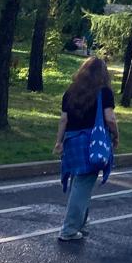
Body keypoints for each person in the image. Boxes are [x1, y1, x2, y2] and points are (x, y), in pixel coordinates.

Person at [54, 57, 118, 242]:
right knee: (82, 186)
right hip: (91, 143)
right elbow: (110, 118)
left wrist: (58, 141)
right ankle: (69, 229)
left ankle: (81, 223)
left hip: (71, 142)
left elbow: (64, 119)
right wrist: (116, 135)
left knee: (78, 182)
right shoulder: (104, 92)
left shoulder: (71, 91)